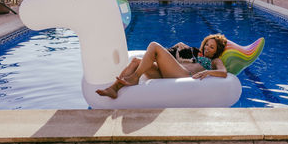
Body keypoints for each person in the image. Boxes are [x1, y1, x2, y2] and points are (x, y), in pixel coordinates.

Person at [96, 34, 228, 99]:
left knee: (154, 45)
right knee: (136, 61)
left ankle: (135, 77)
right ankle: (113, 88)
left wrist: (209, 72)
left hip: (183, 75)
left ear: (216, 51)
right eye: (207, 44)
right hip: (172, 72)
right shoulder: (196, 53)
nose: (207, 48)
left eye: (212, 47)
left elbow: (223, 72)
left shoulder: (214, 61)